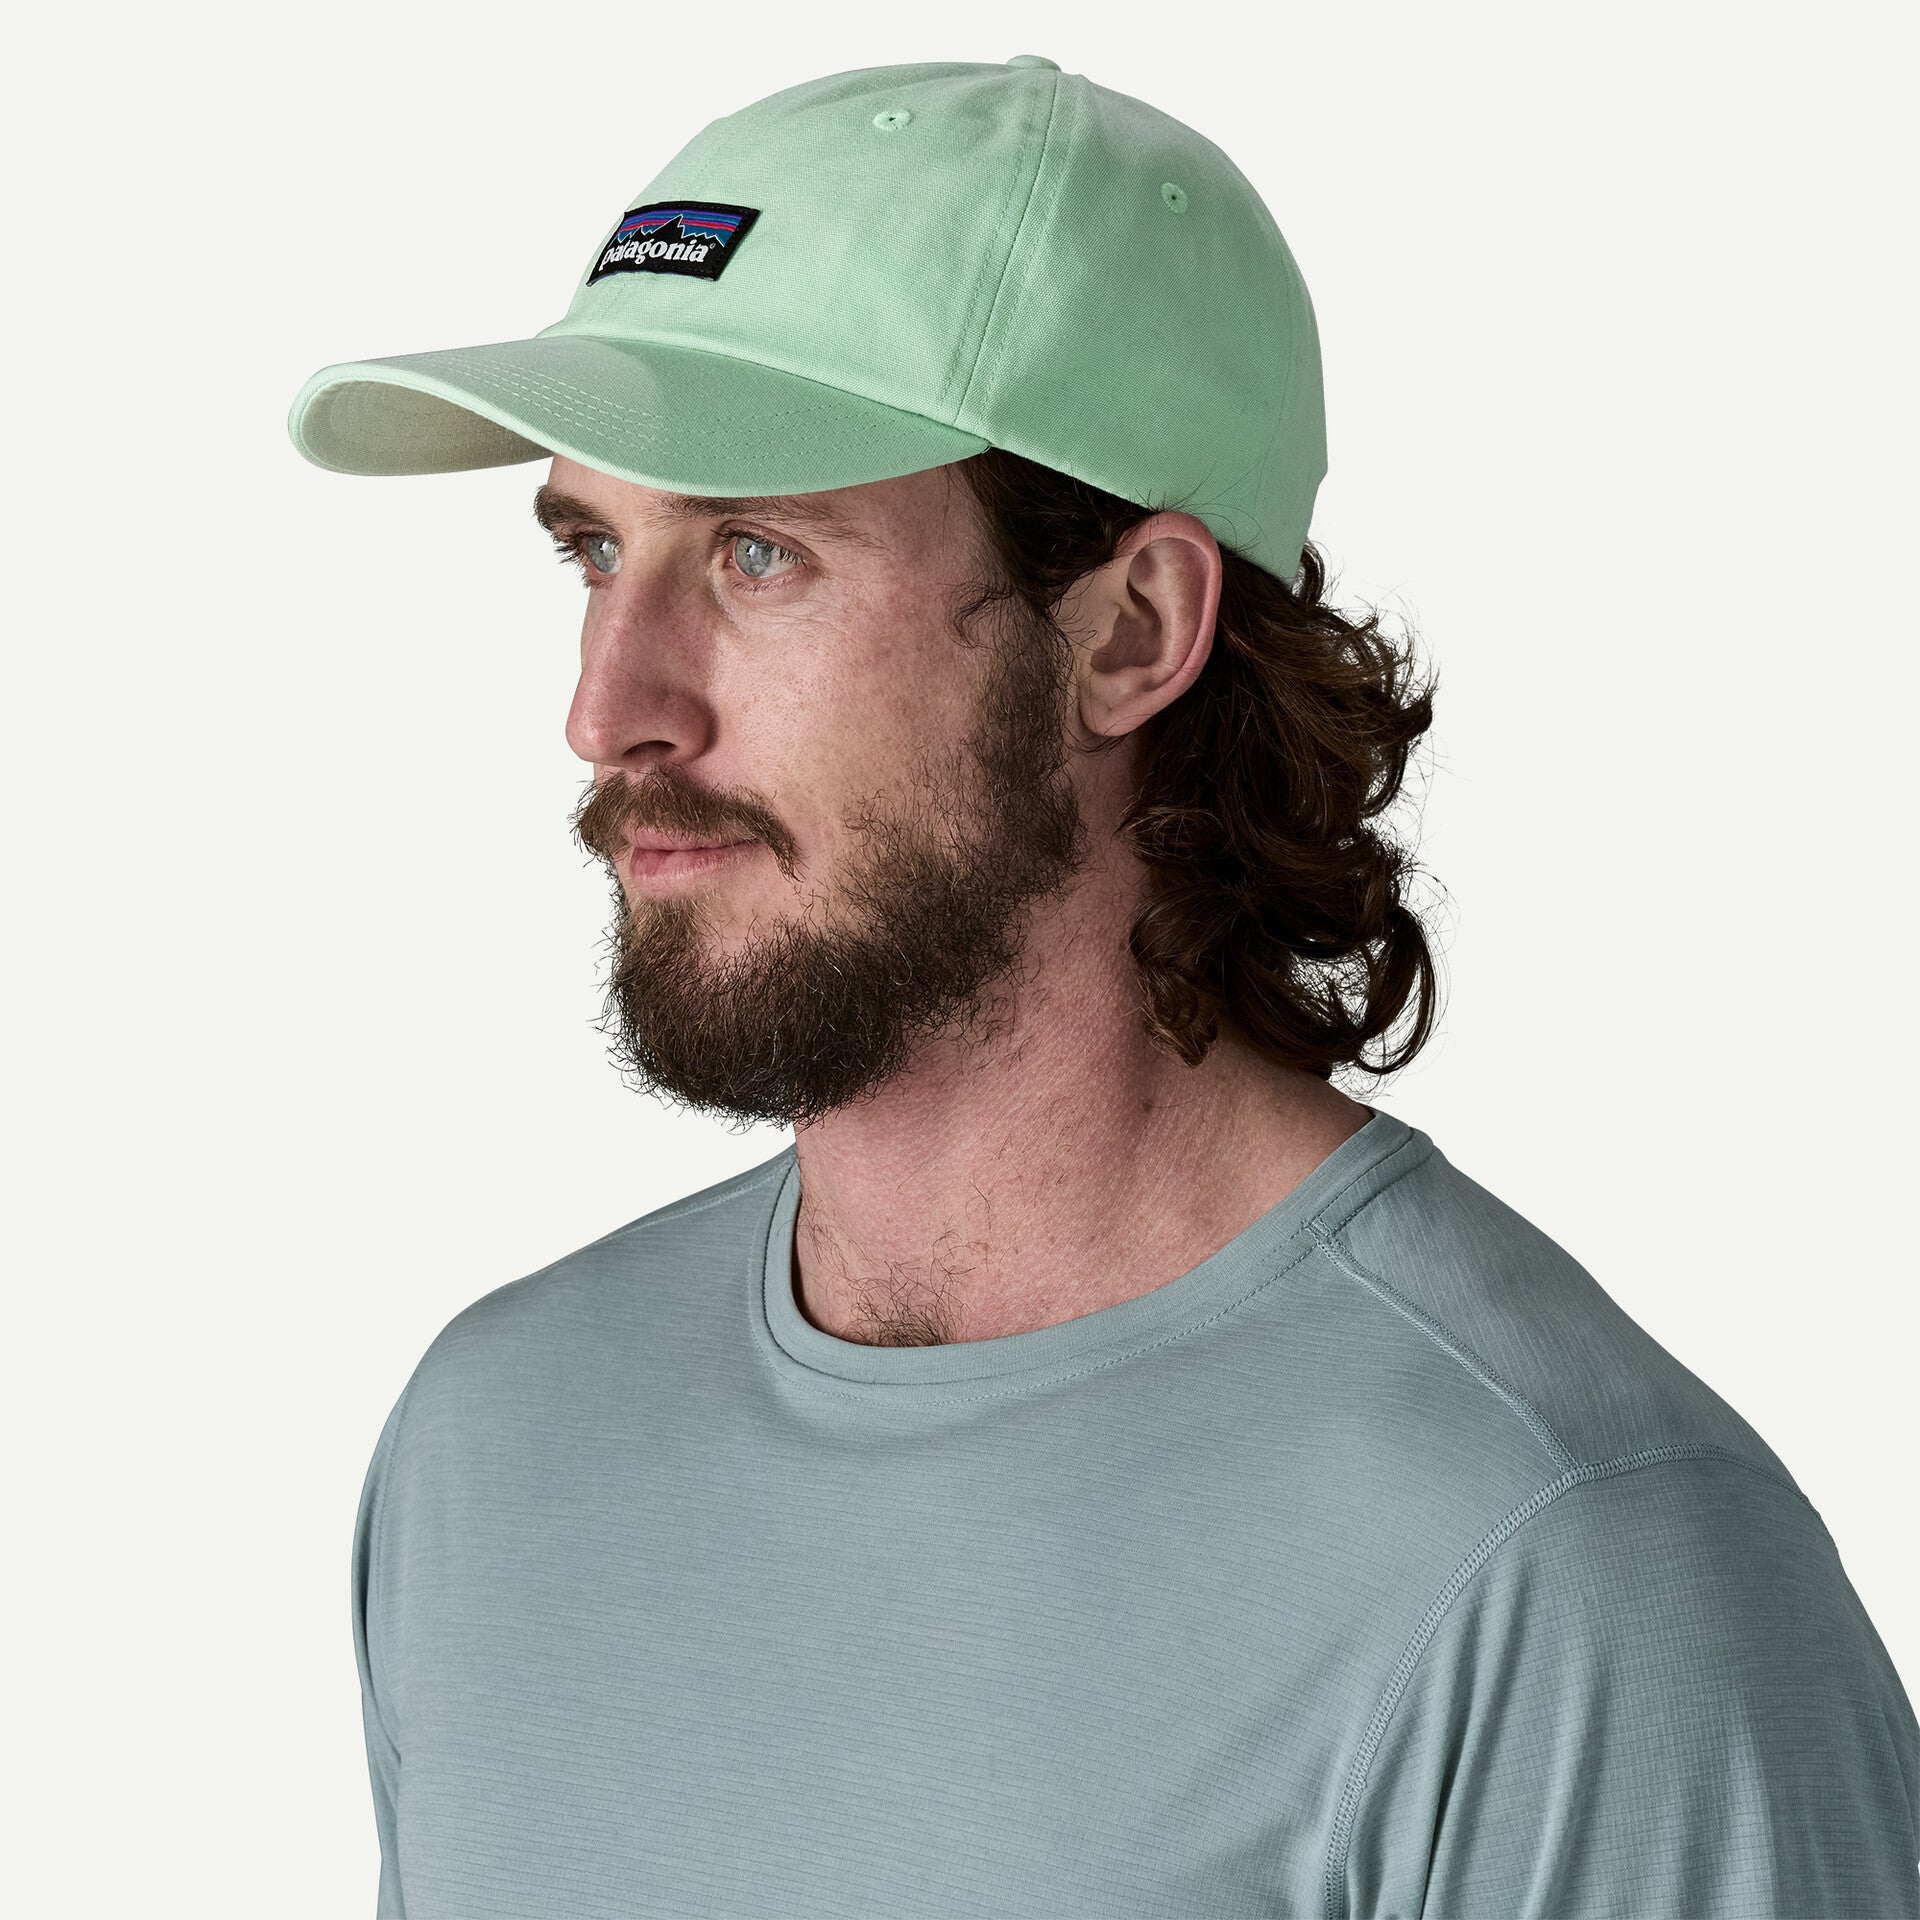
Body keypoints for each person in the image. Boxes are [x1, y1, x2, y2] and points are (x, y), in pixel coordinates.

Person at [290, 56, 1919, 1920]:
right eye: (595, 550)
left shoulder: (1569, 1568)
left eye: (756, 552)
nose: (608, 708)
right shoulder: (498, 1446)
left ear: (1133, 629)